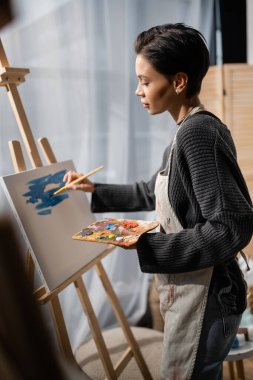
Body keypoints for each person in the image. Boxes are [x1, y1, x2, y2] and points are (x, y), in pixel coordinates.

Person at [64, 23, 253, 380]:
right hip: (196, 294)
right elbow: (153, 190)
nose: (138, 91)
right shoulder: (184, 133)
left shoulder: (198, 133)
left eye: (145, 81)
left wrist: (150, 246)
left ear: (179, 82)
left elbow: (232, 225)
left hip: (210, 299)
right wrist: (94, 190)